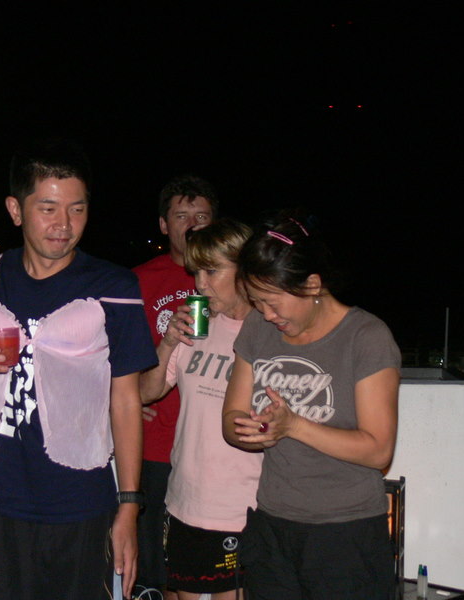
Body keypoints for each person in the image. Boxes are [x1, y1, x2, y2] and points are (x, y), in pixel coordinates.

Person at [0, 138, 156, 600]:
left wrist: (129, 506)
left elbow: (126, 400)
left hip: (81, 499)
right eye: (48, 208)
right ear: (16, 209)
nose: (63, 225)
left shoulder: (113, 284)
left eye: (77, 209)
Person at [222, 211, 401, 600]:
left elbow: (379, 450)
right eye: (257, 302)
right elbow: (231, 418)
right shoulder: (258, 328)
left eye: (272, 302)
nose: (266, 315)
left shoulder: (366, 337)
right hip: (272, 528)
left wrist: (294, 426)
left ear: (312, 284)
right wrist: (253, 429)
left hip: (346, 534)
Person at [140, 219, 261, 600]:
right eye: (196, 272)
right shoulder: (198, 325)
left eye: (212, 271)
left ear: (244, 270)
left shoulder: (268, 332)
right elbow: (146, 392)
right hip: (183, 500)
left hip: (241, 508)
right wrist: (167, 343)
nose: (200, 284)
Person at [132, 175, 218, 597]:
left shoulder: (232, 281)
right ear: (164, 225)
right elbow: (107, 356)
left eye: (202, 215)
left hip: (216, 448)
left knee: (215, 572)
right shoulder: (137, 280)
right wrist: (126, 398)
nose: (193, 224)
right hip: (154, 447)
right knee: (157, 571)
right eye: (182, 216)